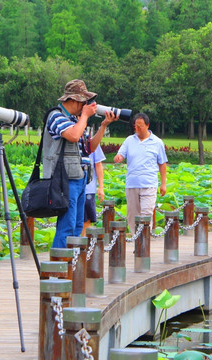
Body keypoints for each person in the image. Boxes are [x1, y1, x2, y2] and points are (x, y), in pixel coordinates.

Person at [43, 79, 117, 248]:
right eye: (84, 101)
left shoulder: (75, 119)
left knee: (77, 225)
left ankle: (71, 265)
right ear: (75, 100)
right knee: (67, 226)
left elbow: (89, 147)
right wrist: (84, 116)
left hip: (80, 176)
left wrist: (103, 125)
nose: (86, 105)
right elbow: (73, 136)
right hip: (65, 178)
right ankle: (59, 268)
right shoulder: (56, 116)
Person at [113, 113, 167, 234]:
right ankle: (135, 239)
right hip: (132, 184)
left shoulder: (157, 142)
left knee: (146, 213)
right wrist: (119, 157)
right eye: (135, 126)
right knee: (132, 215)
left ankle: (144, 241)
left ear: (147, 125)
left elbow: (162, 164)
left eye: (140, 126)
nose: (137, 129)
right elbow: (121, 154)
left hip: (149, 184)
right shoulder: (129, 140)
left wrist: (163, 184)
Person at [81, 145, 106, 237]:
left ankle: (84, 246)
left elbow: (98, 164)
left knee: (87, 220)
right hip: (72, 187)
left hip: (88, 188)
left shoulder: (91, 142)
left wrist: (101, 187)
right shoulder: (69, 138)